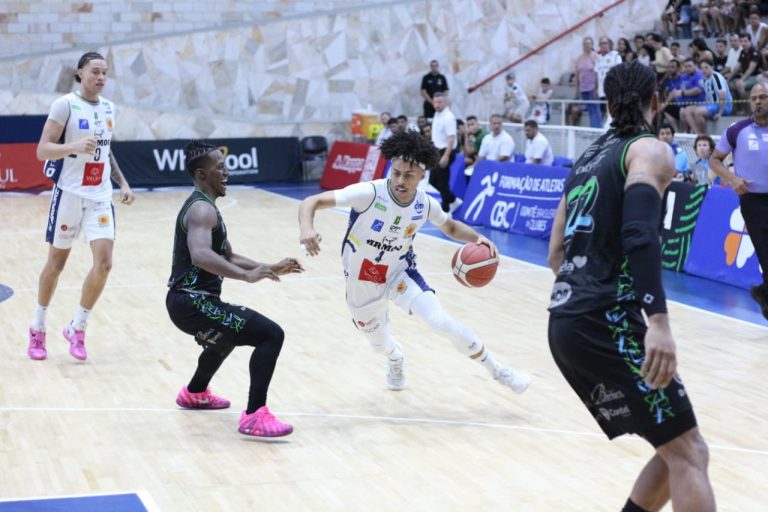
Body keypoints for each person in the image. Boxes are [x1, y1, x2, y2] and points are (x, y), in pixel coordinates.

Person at [547, 62, 716, 512]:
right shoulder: (649, 150)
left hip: (566, 321)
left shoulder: (585, 160)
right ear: (656, 101)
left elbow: (555, 254)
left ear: (606, 104)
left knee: (675, 446)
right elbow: (639, 234)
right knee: (691, 453)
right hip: (608, 320)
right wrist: (657, 322)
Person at [298, 130, 531, 394]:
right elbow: (312, 201)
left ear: (422, 176)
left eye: (408, 175)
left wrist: (478, 237)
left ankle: (499, 370)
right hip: (361, 279)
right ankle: (395, 357)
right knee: (378, 344)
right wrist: (307, 228)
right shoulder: (369, 193)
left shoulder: (425, 204)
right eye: (396, 172)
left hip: (400, 273)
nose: (400, 180)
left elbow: (451, 227)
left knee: (440, 322)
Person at [166, 140, 303, 437]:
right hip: (192, 301)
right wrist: (245, 276)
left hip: (188, 301)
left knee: (225, 336)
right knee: (270, 334)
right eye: (220, 167)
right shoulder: (201, 209)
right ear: (202, 174)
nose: (226, 172)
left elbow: (226, 255)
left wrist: (269, 267)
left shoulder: (206, 206)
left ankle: (195, 392)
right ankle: (254, 415)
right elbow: (200, 255)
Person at [27, 51, 135, 362]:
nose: (101, 77)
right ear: (80, 74)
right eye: (95, 71)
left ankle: (77, 327)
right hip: (69, 195)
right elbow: (42, 151)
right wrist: (73, 146)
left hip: (100, 196)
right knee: (56, 265)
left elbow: (105, 151)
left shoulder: (109, 107)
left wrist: (123, 183)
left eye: (105, 72)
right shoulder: (65, 105)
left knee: (104, 264)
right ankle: (38, 327)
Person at [709, 83, 768, 320]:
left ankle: (763, 293)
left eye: (763, 97)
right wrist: (732, 179)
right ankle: (764, 293)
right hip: (753, 202)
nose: (758, 102)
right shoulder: (737, 130)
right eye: (754, 98)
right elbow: (714, 159)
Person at [428, 92, 461, 212]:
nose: (437, 104)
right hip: (436, 150)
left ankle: (446, 208)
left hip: (446, 151)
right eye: (435, 102)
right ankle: (453, 199)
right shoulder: (437, 114)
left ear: (445, 102)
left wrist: (446, 156)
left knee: (443, 181)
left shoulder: (449, 117)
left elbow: (451, 138)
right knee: (432, 181)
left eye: (440, 102)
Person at [681, 58, 733, 134]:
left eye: (706, 67)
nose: (703, 70)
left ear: (712, 67)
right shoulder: (704, 79)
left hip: (723, 106)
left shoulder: (716, 77)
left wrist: (720, 113)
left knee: (698, 112)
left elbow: (722, 95)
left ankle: (703, 135)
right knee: (687, 110)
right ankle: (697, 134)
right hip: (711, 105)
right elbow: (700, 90)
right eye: (702, 68)